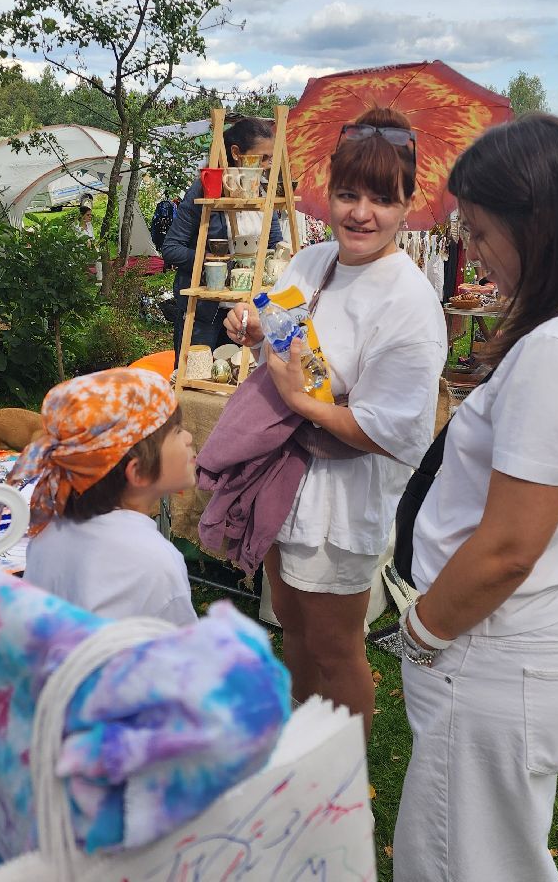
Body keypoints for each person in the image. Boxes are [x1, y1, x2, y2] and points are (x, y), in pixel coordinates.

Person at [393, 115, 558, 881]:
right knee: (495, 846)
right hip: (541, 629)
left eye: (478, 232)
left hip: (497, 643)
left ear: (538, 225)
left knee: (460, 859)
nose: (471, 251)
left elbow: (509, 547)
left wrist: (423, 627)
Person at [221, 106, 445, 737]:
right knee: (288, 619)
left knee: (335, 646)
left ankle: (339, 781)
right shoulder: (312, 262)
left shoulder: (409, 304)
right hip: (285, 480)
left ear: (408, 202)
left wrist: (303, 405)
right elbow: (285, 325)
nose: (360, 214)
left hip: (344, 499)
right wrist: (251, 321)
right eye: (348, 195)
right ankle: (299, 737)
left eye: (381, 198)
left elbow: (390, 430)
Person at [14, 367, 199, 627]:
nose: (189, 437)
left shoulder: (48, 528)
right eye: (177, 431)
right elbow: (182, 652)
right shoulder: (157, 564)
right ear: (139, 472)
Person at [161, 117, 280, 357]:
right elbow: (171, 248)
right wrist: (213, 262)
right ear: (236, 153)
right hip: (205, 313)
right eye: (263, 157)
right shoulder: (206, 191)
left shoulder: (263, 192)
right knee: (198, 381)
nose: (268, 165)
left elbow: (275, 245)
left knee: (242, 383)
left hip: (248, 312)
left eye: (271, 158)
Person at [75, 204, 102, 281]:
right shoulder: (76, 227)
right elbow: (77, 241)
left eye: (91, 215)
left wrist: (95, 244)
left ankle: (100, 279)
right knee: (97, 255)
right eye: (88, 215)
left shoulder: (89, 225)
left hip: (90, 249)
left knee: (98, 254)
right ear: (81, 215)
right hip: (80, 251)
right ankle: (96, 277)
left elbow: (92, 238)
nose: (90, 217)